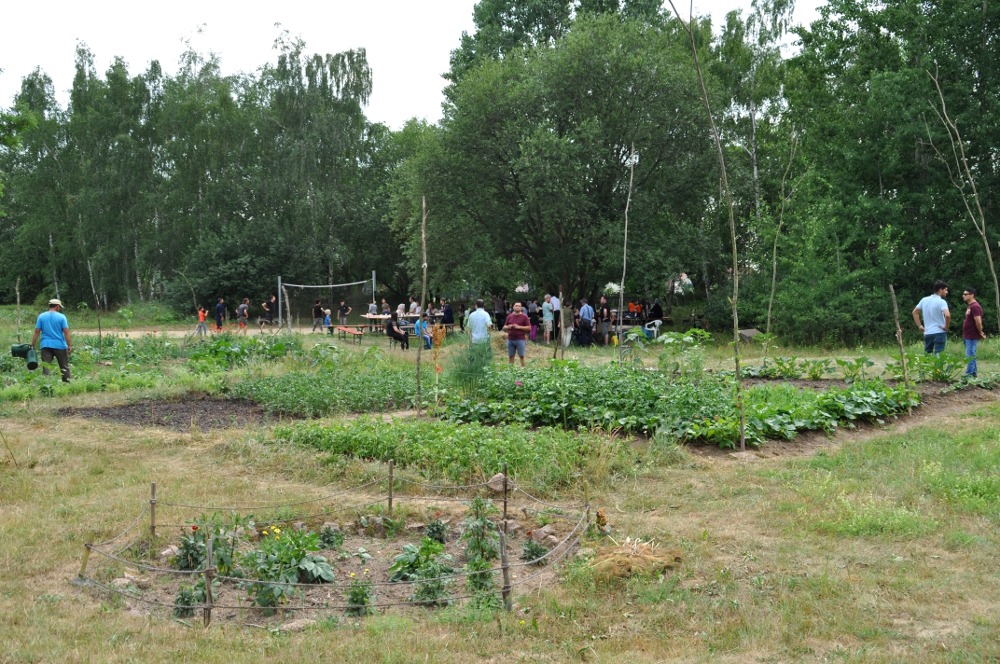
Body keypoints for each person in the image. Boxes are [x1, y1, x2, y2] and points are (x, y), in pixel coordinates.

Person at [31, 298, 72, 382]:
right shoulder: (61, 317)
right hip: (59, 345)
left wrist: (33, 344)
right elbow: (66, 331)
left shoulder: (41, 316)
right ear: (57, 306)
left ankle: (47, 385)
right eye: (59, 307)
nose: (59, 308)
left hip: (45, 345)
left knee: (46, 367)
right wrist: (69, 345)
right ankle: (67, 383)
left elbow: (37, 331)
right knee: (64, 366)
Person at [913, 280, 951, 354]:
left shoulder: (924, 300)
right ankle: (938, 366)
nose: (947, 292)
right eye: (945, 290)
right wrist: (946, 327)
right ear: (940, 290)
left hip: (928, 332)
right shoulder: (942, 302)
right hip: (939, 332)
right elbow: (947, 315)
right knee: (939, 356)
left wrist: (920, 325)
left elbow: (914, 312)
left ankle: (926, 366)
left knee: (927, 355)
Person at [962, 287, 987, 378]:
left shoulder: (975, 306)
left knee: (970, 356)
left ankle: (968, 376)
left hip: (972, 335)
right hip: (967, 335)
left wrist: (980, 332)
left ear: (972, 295)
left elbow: (978, 321)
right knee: (971, 355)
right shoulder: (970, 306)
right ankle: (974, 375)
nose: (963, 296)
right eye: (963, 294)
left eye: (965, 294)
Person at [503, 302, 531, 366]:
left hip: (520, 339)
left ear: (521, 308)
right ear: (513, 307)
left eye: (519, 306)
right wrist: (507, 327)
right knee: (511, 356)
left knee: (521, 356)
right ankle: (511, 370)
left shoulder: (524, 317)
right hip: (510, 339)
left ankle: (523, 370)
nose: (517, 307)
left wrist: (519, 327)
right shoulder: (509, 316)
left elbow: (529, 328)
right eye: (516, 306)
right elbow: (504, 327)